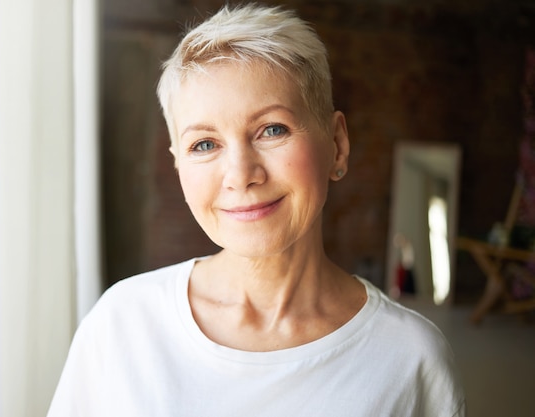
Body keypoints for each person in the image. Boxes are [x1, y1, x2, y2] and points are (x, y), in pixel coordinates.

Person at [47, 4, 466, 416]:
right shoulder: (122, 324)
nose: (240, 174)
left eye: (272, 130)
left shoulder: (411, 360)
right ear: (178, 164)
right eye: (204, 144)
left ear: (336, 145)